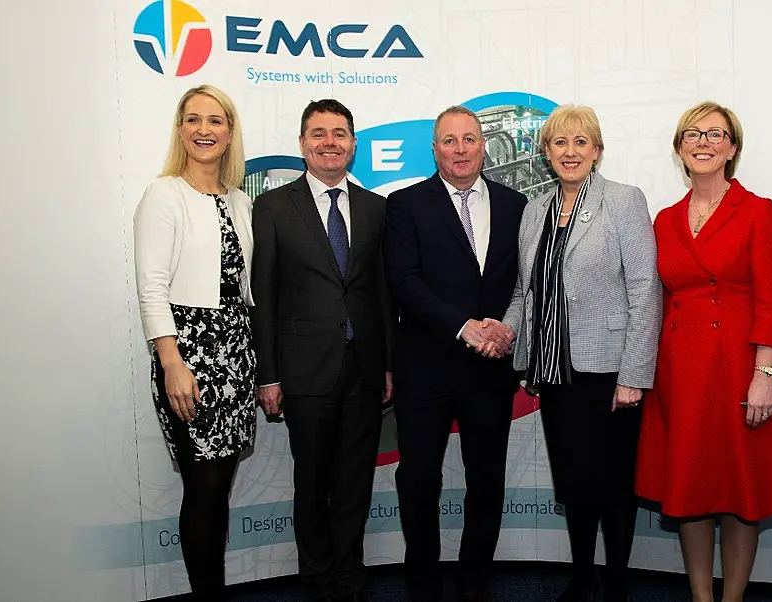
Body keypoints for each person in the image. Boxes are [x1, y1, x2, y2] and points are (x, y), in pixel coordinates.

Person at [635, 101, 772, 602]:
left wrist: (764, 372)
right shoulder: (665, 220)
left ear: (732, 147)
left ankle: (731, 598)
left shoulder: (758, 211)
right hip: (680, 371)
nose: (703, 143)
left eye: (715, 134)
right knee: (690, 492)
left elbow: (771, 296)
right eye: (692, 134)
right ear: (679, 148)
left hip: (740, 366)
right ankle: (700, 596)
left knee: (740, 492)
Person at [499, 105, 662, 602]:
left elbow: (644, 290)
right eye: (559, 143)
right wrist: (502, 334)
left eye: (580, 142)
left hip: (609, 369)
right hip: (553, 370)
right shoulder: (535, 209)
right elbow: (524, 294)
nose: (570, 152)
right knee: (573, 479)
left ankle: (616, 579)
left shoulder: (623, 201)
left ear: (597, 149)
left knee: (613, 481)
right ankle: (582, 572)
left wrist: (633, 374)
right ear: (545, 152)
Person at [251, 99, 395, 602]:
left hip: (363, 369)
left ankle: (350, 579)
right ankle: (315, 581)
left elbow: (381, 293)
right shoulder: (272, 207)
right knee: (312, 486)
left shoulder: (377, 208)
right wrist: (267, 375)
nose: (329, 141)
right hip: (302, 371)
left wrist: (387, 366)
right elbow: (262, 296)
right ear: (302, 144)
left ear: (354, 144)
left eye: (339, 133)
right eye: (318, 133)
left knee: (355, 482)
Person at [383, 105, 526, 602]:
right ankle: (422, 581)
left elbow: (524, 281)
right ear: (435, 148)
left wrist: (505, 328)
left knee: (486, 480)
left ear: (484, 145)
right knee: (418, 477)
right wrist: (463, 327)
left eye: (469, 139)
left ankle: (474, 582)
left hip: (491, 370)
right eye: (449, 141)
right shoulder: (405, 204)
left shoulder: (515, 205)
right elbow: (404, 282)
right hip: (426, 368)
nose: (460, 149)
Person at [132, 84, 255, 600]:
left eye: (216, 120)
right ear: (181, 130)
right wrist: (171, 362)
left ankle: (214, 588)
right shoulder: (164, 193)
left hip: (236, 349)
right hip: (189, 350)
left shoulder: (239, 200)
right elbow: (150, 284)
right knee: (202, 487)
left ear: (229, 134)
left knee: (219, 487)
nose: (205, 129)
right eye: (194, 120)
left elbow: (245, 286)